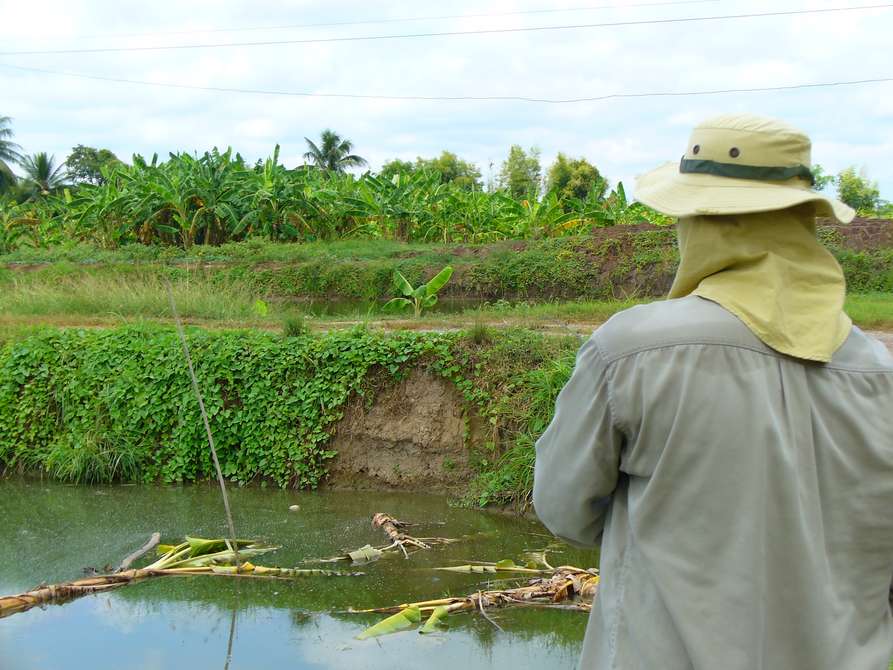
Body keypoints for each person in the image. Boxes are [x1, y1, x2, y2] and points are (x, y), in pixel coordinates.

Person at [533, 114, 893, 670]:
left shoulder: (630, 353)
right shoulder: (878, 372)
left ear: (703, 223)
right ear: (800, 222)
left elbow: (564, 510)